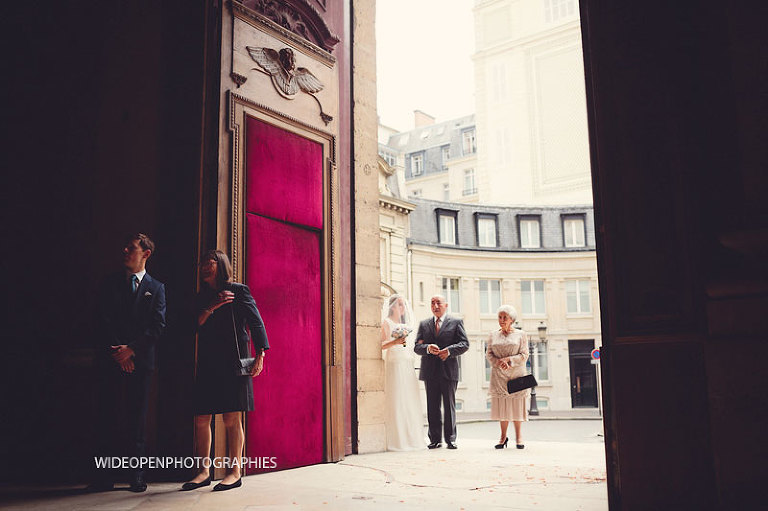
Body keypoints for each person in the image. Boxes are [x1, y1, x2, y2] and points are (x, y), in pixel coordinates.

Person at [182, 250, 269, 492]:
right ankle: (203, 471)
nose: (204, 267)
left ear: (220, 265)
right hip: (208, 361)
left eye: (209, 263)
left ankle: (234, 472)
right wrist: (212, 306)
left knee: (231, 418)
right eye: (202, 264)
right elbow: (192, 326)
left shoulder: (239, 290)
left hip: (234, 360)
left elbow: (255, 322)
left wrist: (260, 354)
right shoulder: (202, 297)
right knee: (201, 418)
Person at [90, 233, 167, 492]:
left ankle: (136, 476)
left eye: (131, 248)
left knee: (137, 421)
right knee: (106, 417)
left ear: (146, 254)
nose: (124, 250)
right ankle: (103, 477)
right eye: (125, 247)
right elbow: (102, 319)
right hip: (110, 360)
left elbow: (157, 326)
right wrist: (119, 353)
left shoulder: (157, 288)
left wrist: (132, 350)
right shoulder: (110, 283)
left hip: (141, 362)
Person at [414, 295, 469, 449]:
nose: (435, 305)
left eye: (438, 303)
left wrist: (449, 351)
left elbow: (464, 344)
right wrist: (427, 348)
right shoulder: (424, 324)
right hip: (430, 372)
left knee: (449, 406)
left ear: (446, 305)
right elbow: (416, 347)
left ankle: (451, 439)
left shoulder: (456, 322)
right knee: (432, 406)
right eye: (432, 303)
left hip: (448, 371)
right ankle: (435, 439)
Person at [380, 294, 424, 451]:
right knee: (397, 398)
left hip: (406, 362)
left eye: (403, 304)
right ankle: (398, 440)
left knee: (409, 398)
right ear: (392, 307)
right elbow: (381, 345)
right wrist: (395, 342)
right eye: (400, 304)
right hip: (394, 363)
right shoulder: (387, 323)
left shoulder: (404, 325)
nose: (403, 307)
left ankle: (412, 438)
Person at [486, 304, 530, 449]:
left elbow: (525, 355)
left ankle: (519, 437)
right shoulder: (492, 335)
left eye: (505, 317)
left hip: (517, 374)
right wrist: (498, 362)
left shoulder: (521, 334)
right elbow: (489, 354)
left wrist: (509, 360)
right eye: (500, 317)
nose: (502, 320)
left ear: (512, 319)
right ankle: (503, 437)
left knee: (517, 406)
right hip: (499, 375)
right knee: (502, 407)